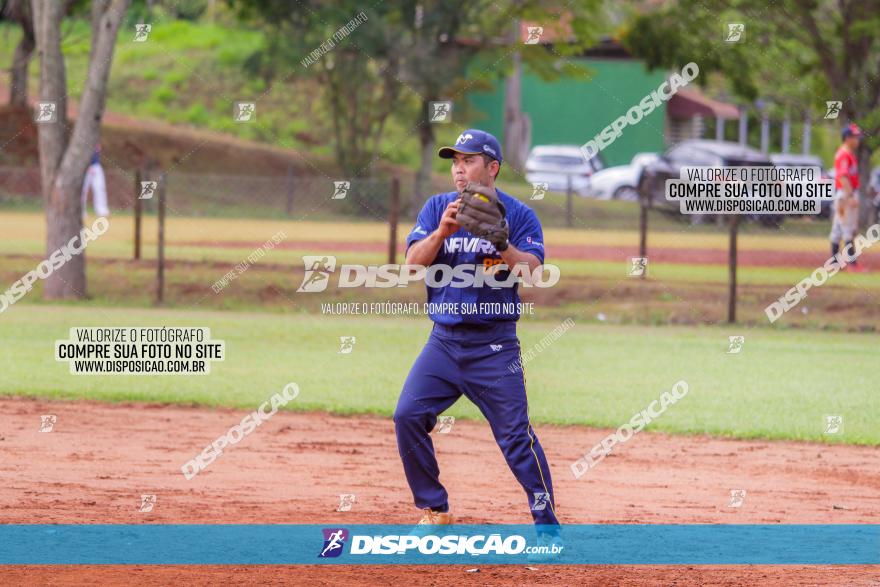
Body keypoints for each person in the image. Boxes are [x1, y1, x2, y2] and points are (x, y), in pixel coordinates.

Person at [394, 129, 560, 536]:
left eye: (468, 161)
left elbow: (532, 271)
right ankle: (435, 510)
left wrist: (501, 243)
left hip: (495, 348)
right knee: (407, 416)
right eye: (455, 162)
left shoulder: (519, 215)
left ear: (493, 168)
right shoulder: (437, 208)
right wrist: (441, 234)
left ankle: (547, 525)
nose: (459, 170)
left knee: (516, 439)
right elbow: (412, 264)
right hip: (444, 343)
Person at [830, 123, 864, 272]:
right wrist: (850, 196)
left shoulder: (848, 153)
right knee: (848, 229)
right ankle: (852, 264)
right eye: (855, 137)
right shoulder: (844, 154)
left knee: (838, 229)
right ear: (847, 138)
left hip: (844, 194)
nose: (857, 140)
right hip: (845, 194)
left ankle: (835, 263)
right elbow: (843, 177)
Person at [81, 144, 110, 219]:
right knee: (83, 190)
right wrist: (87, 165)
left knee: (100, 188)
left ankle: (101, 209)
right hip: (83, 166)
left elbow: (97, 151)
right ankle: (80, 210)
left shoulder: (94, 137)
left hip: (96, 165)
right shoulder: (81, 138)